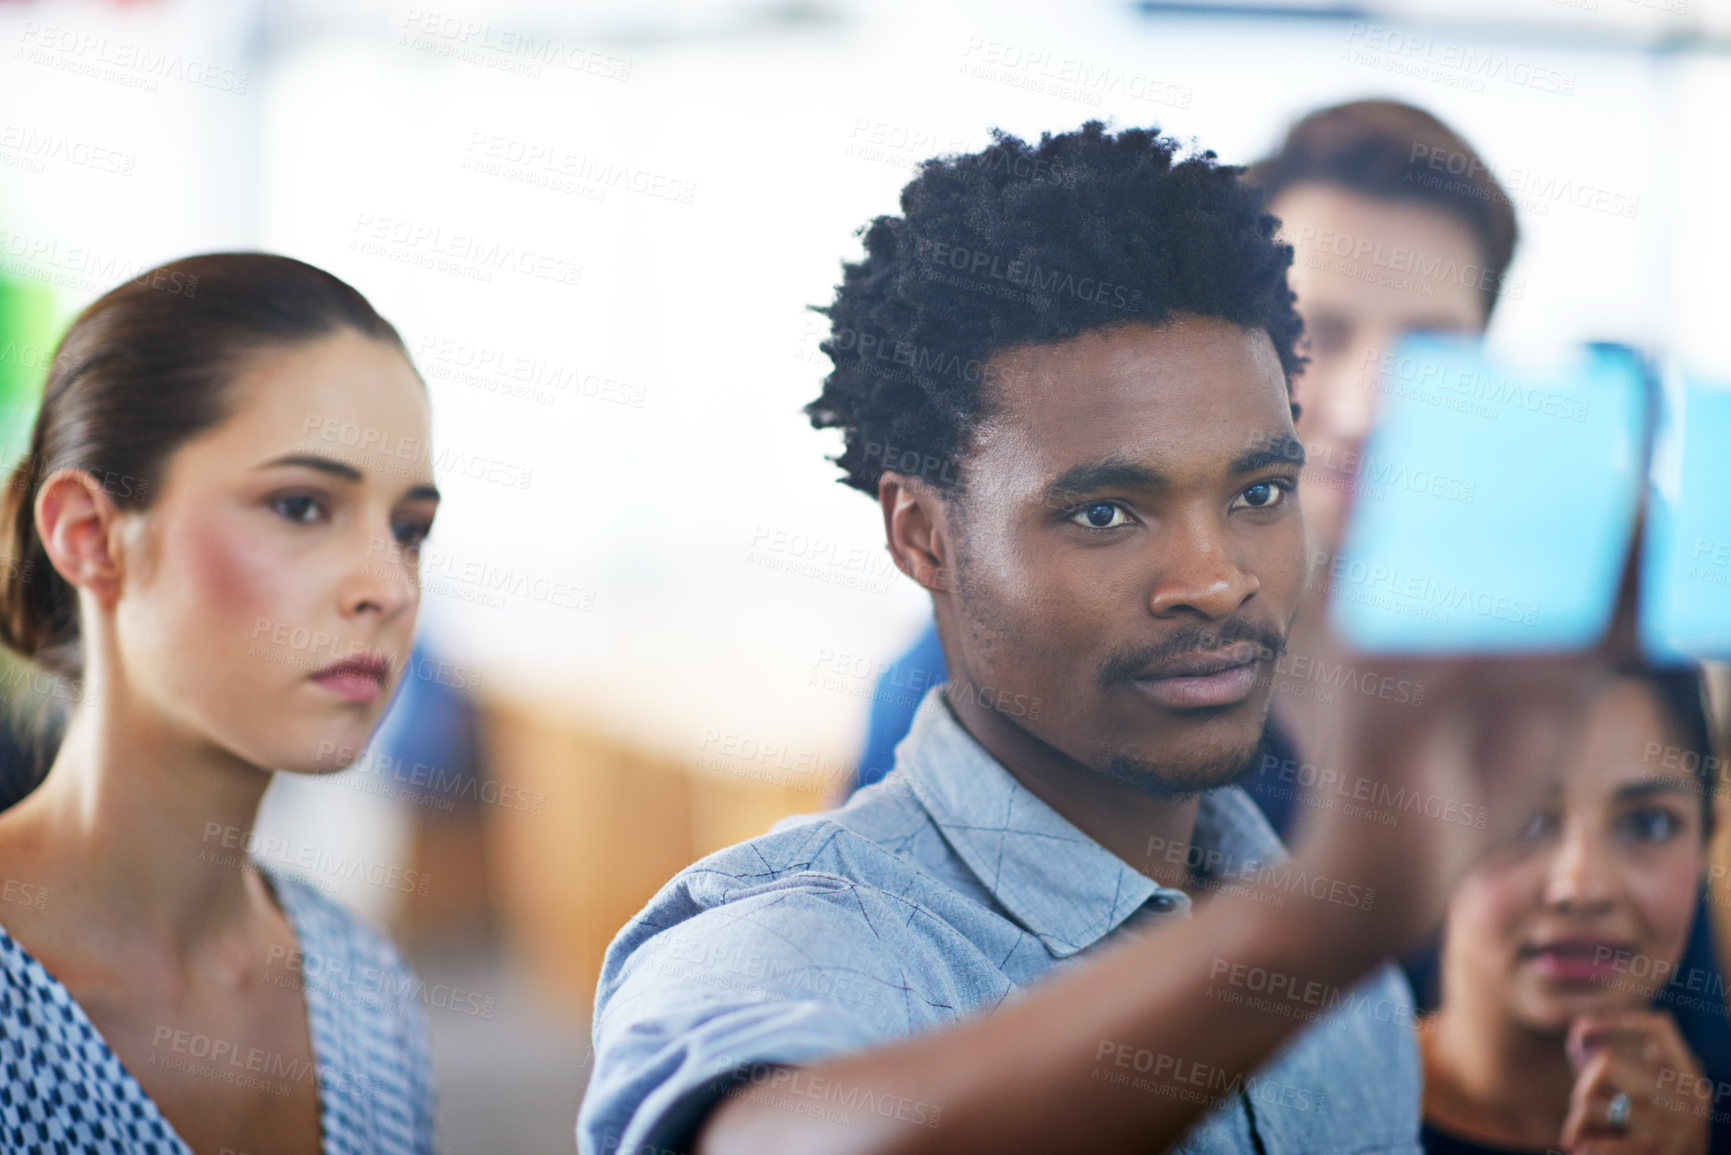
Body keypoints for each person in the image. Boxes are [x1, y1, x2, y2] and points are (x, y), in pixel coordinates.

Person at [578, 121, 1602, 1155]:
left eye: (1258, 492)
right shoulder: (792, 932)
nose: (1216, 580)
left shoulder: (1346, 986)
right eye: (1106, 512)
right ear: (922, 534)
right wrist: (1324, 921)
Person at [0, 253, 440, 1154]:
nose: (387, 587)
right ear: (90, 537)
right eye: (300, 505)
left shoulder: (367, 987)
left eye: (410, 529)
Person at [1419, 667, 1718, 1154]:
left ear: (1707, 838)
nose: (1581, 888)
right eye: (1525, 820)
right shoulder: (1308, 1108)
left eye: (1647, 823)